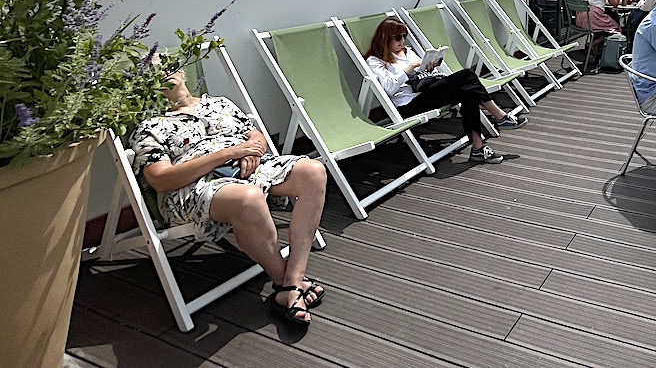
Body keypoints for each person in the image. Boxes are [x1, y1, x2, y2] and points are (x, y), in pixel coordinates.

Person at [133, 63, 329, 326]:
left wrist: (252, 150)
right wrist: (227, 154)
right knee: (248, 198)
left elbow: (254, 134)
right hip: (192, 187)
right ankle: (284, 283)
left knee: (313, 171)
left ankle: (292, 281)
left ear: (182, 72)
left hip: (250, 170)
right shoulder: (150, 126)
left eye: (169, 66)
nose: (165, 73)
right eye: (154, 72)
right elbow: (160, 179)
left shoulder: (220, 104)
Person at [363, 17, 525, 164]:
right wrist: (410, 67)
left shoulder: (408, 52)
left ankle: (478, 148)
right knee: (468, 75)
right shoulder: (376, 61)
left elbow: (421, 78)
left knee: (469, 92)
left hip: (427, 92)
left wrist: (430, 66)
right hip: (409, 104)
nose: (402, 40)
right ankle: (500, 116)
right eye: (398, 37)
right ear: (385, 38)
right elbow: (389, 88)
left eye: (404, 36)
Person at [578, 0, 622, 69]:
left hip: (582, 17)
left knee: (602, 29)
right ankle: (592, 45)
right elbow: (615, 3)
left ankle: (594, 54)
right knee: (615, 28)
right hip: (593, 17)